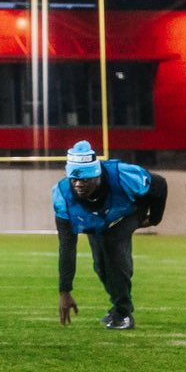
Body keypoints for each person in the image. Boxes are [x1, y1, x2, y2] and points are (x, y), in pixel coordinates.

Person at [55, 141, 167, 331]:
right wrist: (65, 291)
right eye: (74, 179)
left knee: (113, 247)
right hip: (97, 219)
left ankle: (124, 314)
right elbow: (67, 246)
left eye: (85, 179)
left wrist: (154, 219)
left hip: (129, 210)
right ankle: (119, 306)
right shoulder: (62, 196)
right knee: (100, 265)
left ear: (97, 175)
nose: (79, 184)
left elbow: (159, 184)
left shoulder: (123, 175)